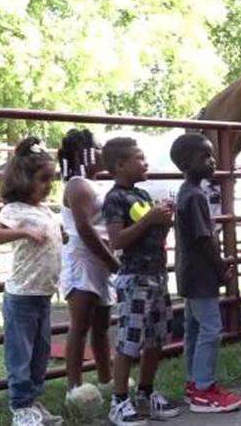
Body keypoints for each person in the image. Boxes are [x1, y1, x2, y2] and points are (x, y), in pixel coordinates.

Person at [0, 137, 65, 426]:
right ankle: (20, 408)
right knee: (21, 356)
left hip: (42, 294)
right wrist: (24, 232)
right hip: (22, 296)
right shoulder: (15, 210)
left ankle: (33, 402)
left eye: (51, 179)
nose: (48, 185)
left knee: (40, 355)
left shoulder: (44, 209)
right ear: (24, 179)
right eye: (43, 179)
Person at [101, 137, 179, 426]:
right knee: (130, 340)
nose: (145, 163)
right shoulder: (115, 198)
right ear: (120, 165)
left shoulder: (143, 196)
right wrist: (149, 221)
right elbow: (118, 240)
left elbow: (154, 235)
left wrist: (165, 219)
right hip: (135, 278)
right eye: (139, 158)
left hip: (157, 274)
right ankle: (119, 400)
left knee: (157, 337)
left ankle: (145, 393)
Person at [168, 134, 241, 414]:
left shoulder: (186, 192)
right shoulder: (195, 195)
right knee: (210, 330)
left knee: (194, 329)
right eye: (206, 157)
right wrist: (221, 268)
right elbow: (204, 239)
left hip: (189, 274)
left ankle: (194, 383)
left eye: (212, 156)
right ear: (187, 163)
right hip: (201, 275)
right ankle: (204, 389)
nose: (213, 162)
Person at [57, 129, 121, 416]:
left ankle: (106, 378)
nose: (102, 152)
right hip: (85, 259)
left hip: (100, 259)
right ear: (83, 154)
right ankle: (74, 387)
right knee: (80, 325)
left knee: (101, 323)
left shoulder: (94, 184)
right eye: (97, 148)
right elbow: (84, 229)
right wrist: (111, 260)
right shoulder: (78, 186)